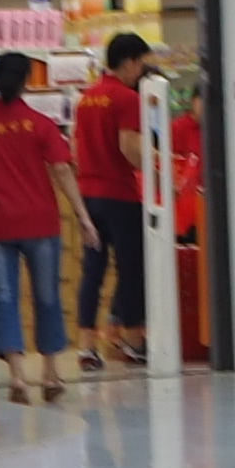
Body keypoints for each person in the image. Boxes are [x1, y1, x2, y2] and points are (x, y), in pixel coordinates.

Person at [0, 50, 75, 402]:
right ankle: (51, 373)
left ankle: (18, 378)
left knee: (5, 298)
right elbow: (62, 169)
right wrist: (82, 215)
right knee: (46, 295)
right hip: (40, 222)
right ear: (26, 81)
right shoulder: (40, 124)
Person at [71, 31, 154, 367]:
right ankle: (133, 339)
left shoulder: (86, 99)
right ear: (129, 62)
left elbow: (76, 148)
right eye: (142, 63)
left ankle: (86, 346)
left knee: (92, 271)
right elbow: (128, 146)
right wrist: (155, 168)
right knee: (130, 268)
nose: (142, 71)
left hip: (88, 195)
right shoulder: (126, 98)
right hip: (120, 195)